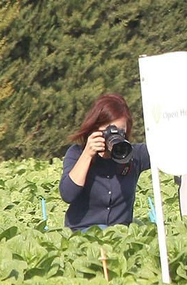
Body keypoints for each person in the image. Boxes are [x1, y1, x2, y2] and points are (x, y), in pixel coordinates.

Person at [59, 93, 152, 230]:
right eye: (108, 132)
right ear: (94, 129)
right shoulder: (77, 153)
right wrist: (87, 155)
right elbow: (67, 194)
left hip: (119, 236)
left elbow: (166, 151)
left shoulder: (133, 154)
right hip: (82, 236)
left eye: (120, 132)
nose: (114, 137)